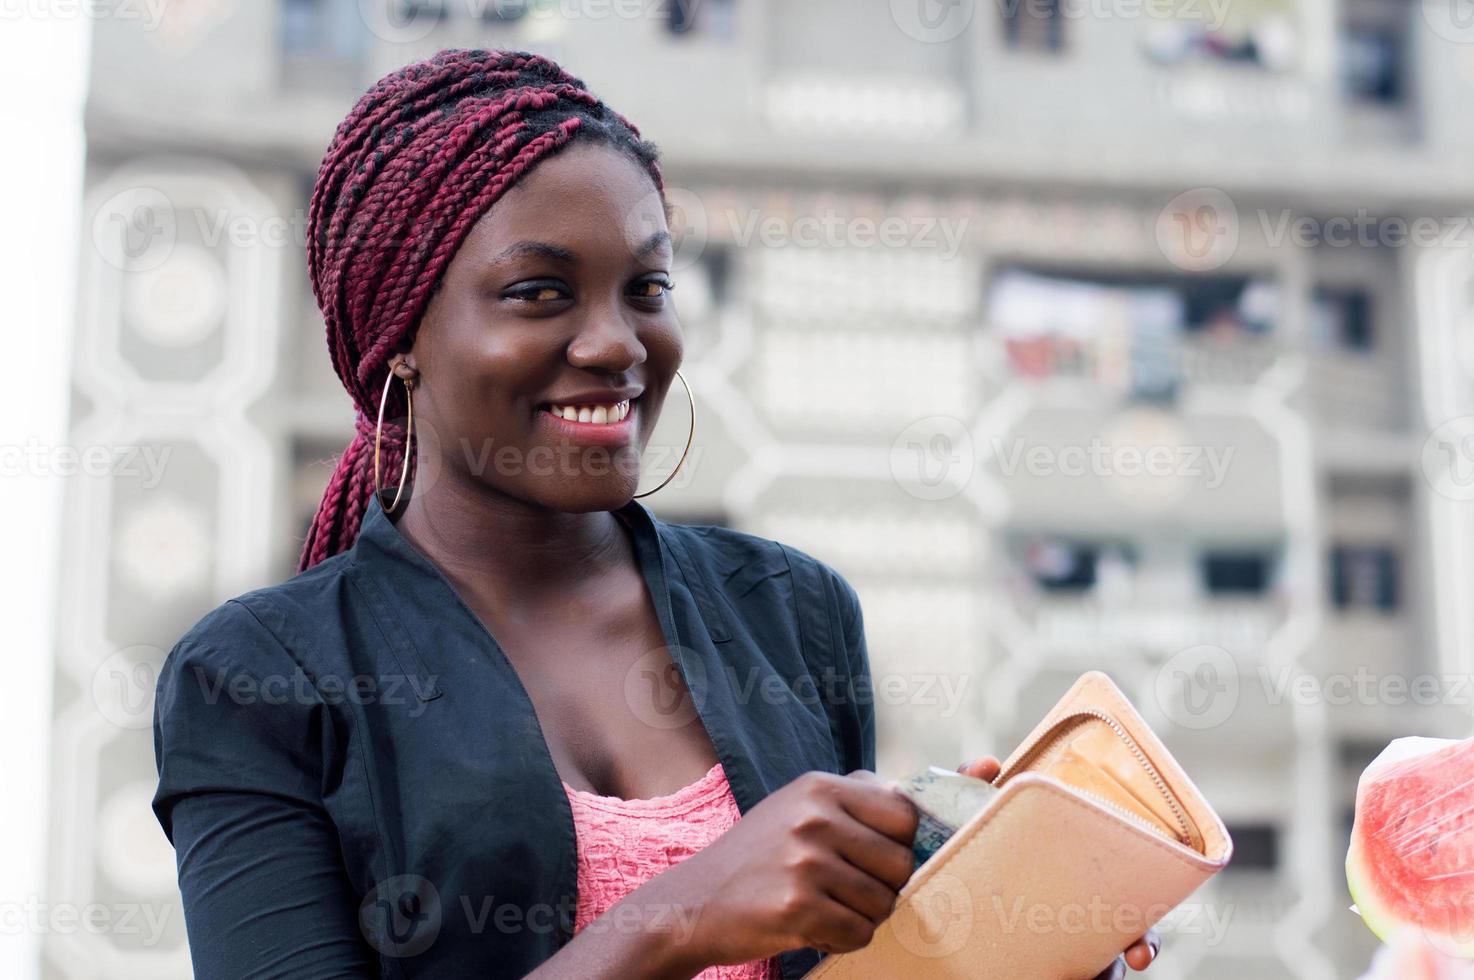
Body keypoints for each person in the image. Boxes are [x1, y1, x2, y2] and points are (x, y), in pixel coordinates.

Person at [150, 47, 1158, 979]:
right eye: (540, 290)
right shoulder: (258, 680)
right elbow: (698, 911)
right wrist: (678, 912)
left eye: (648, 286)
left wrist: (1009, 928)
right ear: (399, 330)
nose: (617, 343)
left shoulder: (792, 612)